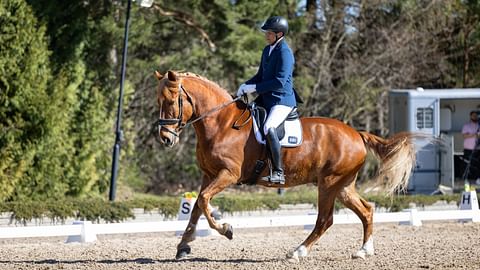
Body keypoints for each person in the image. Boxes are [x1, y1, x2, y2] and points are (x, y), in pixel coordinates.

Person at [236, 16, 297, 184]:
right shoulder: (267, 50)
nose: (266, 35)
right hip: (266, 99)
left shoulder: (285, 53)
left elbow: (279, 81)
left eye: (269, 33)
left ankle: (278, 172)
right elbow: (260, 76)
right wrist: (246, 85)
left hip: (282, 100)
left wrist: (255, 88)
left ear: (279, 34)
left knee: (270, 127)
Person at [461, 110, 480, 184]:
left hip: (477, 149)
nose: (475, 117)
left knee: (477, 164)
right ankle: (466, 180)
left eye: (476, 116)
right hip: (468, 148)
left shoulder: (479, 125)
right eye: (473, 115)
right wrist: (474, 135)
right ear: (470, 116)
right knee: (467, 164)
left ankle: (477, 179)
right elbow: (464, 135)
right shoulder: (466, 126)